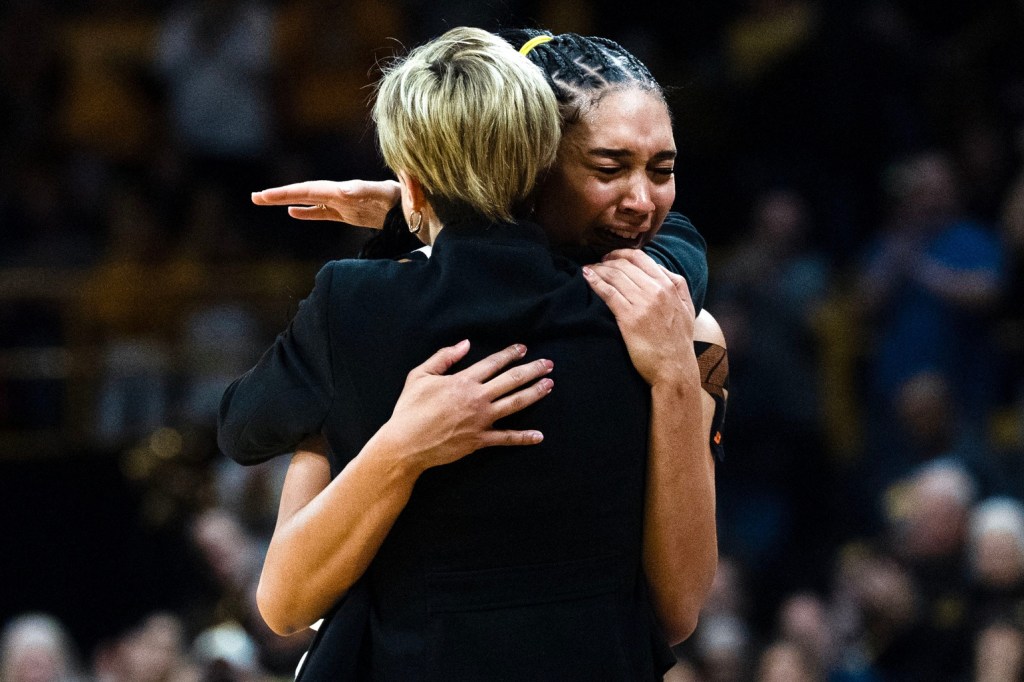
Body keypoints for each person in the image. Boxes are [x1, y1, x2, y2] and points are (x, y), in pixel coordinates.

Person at [219, 28, 718, 679]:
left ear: (416, 180)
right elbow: (683, 251)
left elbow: (242, 429)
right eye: (608, 167)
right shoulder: (645, 314)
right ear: (539, 164)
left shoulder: (354, 308)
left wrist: (406, 214)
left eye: (661, 170)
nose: (642, 201)